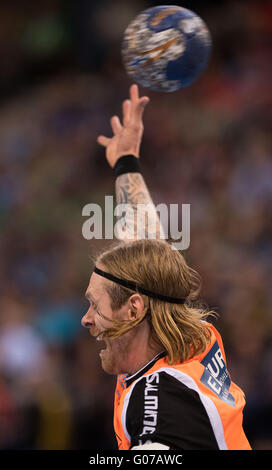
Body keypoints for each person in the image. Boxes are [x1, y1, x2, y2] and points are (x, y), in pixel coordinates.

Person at [81, 84, 251, 450]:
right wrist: (126, 161)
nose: (87, 318)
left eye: (95, 304)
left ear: (134, 308)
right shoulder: (193, 337)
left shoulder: (158, 401)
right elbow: (149, 254)